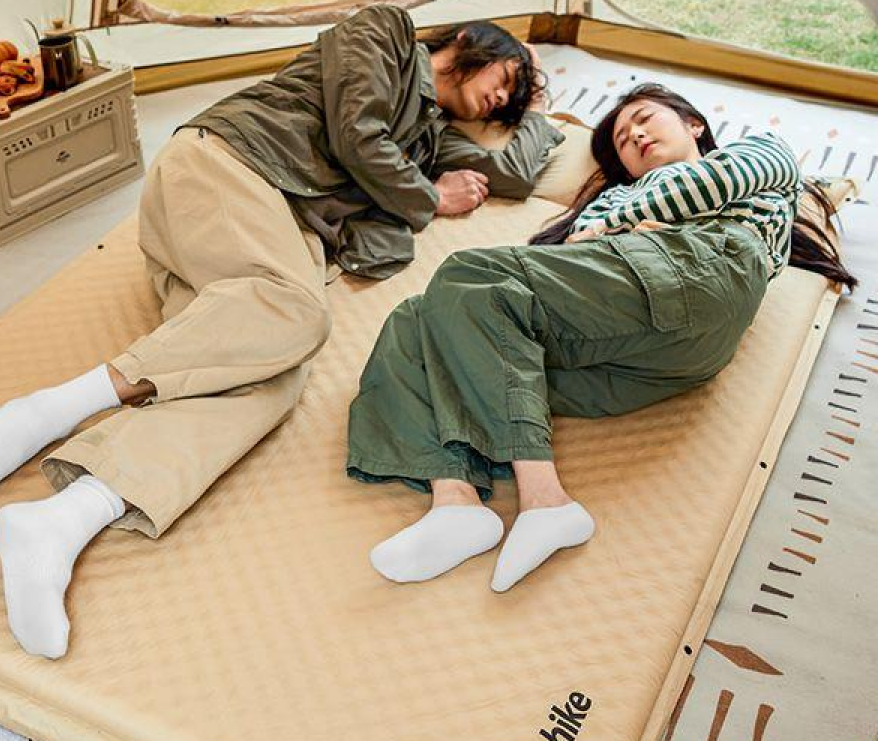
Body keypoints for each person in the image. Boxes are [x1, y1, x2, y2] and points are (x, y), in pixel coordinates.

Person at [0, 4, 561, 657]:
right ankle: (48, 411)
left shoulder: (431, 141)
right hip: (233, 169)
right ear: (469, 40)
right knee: (299, 312)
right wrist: (430, 196)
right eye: (506, 76)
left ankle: (62, 520)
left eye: (510, 99)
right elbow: (357, 131)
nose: (503, 96)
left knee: (274, 381)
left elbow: (515, 174)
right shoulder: (385, 33)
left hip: (275, 237)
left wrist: (538, 102)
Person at [347, 83, 855, 592]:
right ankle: (454, 501)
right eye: (622, 141)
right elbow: (572, 256)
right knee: (418, 319)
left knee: (469, 273)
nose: (634, 136)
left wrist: (616, 228)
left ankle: (544, 499)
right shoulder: (612, 200)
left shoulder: (760, 150)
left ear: (694, 124)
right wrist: (614, 227)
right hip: (640, 350)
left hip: (701, 273)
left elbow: (703, 188)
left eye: (644, 118)